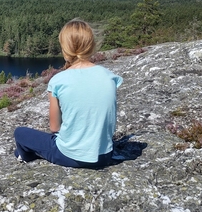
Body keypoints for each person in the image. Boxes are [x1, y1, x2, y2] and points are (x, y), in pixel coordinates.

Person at [13, 19, 123, 168]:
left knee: (20, 133)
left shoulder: (58, 81)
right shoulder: (110, 76)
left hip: (70, 156)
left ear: (65, 49)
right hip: (104, 155)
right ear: (91, 45)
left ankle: (24, 156)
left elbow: (54, 127)